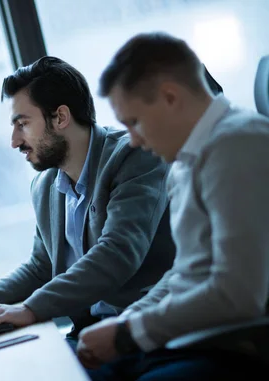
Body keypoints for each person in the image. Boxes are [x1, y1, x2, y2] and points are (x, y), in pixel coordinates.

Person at [0, 56, 175, 342]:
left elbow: (117, 253)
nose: (14, 141)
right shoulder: (46, 185)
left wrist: (29, 309)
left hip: (145, 331)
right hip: (88, 334)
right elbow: (41, 268)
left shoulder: (134, 155)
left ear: (60, 117)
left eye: (22, 124)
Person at [77, 32, 269, 380]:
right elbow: (184, 273)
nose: (133, 140)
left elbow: (238, 295)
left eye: (134, 122)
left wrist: (129, 334)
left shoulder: (238, 145)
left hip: (235, 346)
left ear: (170, 97)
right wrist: (125, 323)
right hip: (188, 339)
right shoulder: (186, 163)